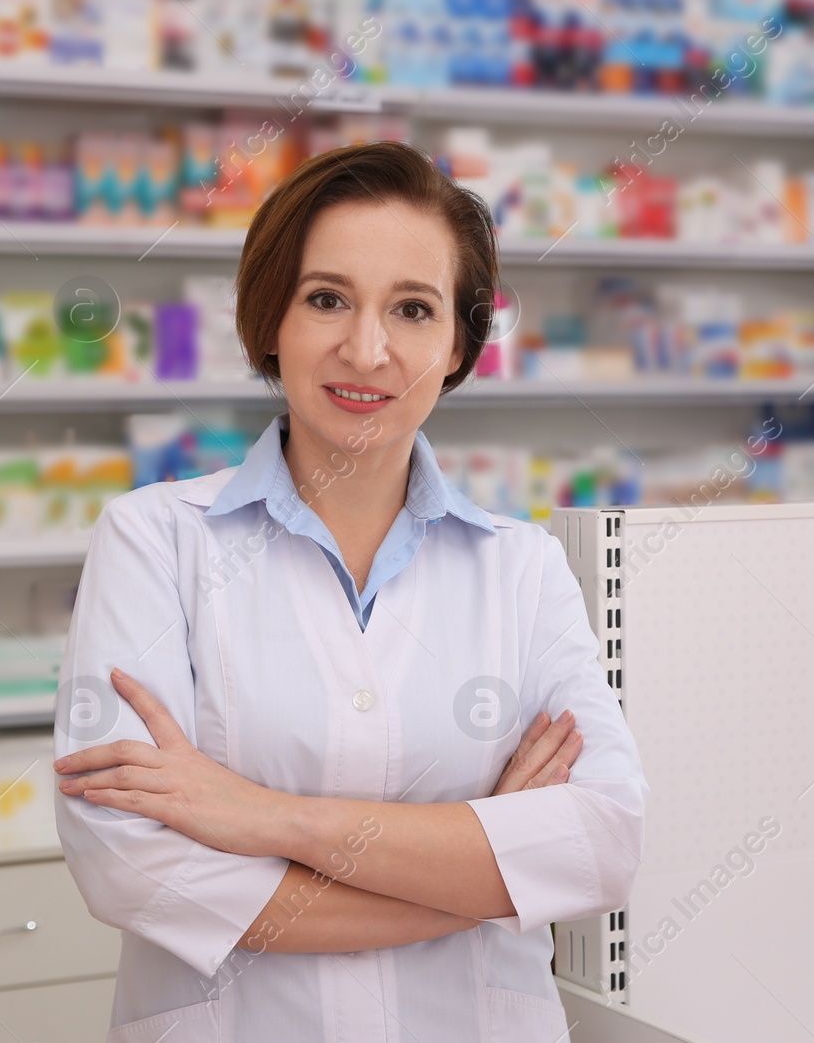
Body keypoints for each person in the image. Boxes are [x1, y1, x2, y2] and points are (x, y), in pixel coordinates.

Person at [52, 139, 648, 1042]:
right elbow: (132, 866)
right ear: (270, 322)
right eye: (326, 298)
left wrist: (264, 816)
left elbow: (601, 841)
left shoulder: (522, 568)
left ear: (457, 344)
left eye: (413, 308)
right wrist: (483, 876)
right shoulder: (155, 540)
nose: (366, 349)